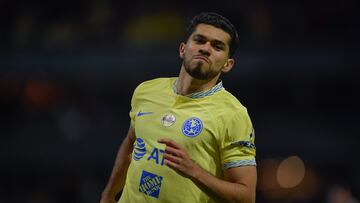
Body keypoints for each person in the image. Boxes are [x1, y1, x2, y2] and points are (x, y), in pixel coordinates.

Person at [100, 12, 257, 203]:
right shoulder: (146, 91)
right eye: (199, 40)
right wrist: (109, 193)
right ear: (183, 49)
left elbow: (246, 197)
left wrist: (194, 171)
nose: (205, 49)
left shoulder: (233, 115)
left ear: (228, 64)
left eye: (217, 46)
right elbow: (131, 143)